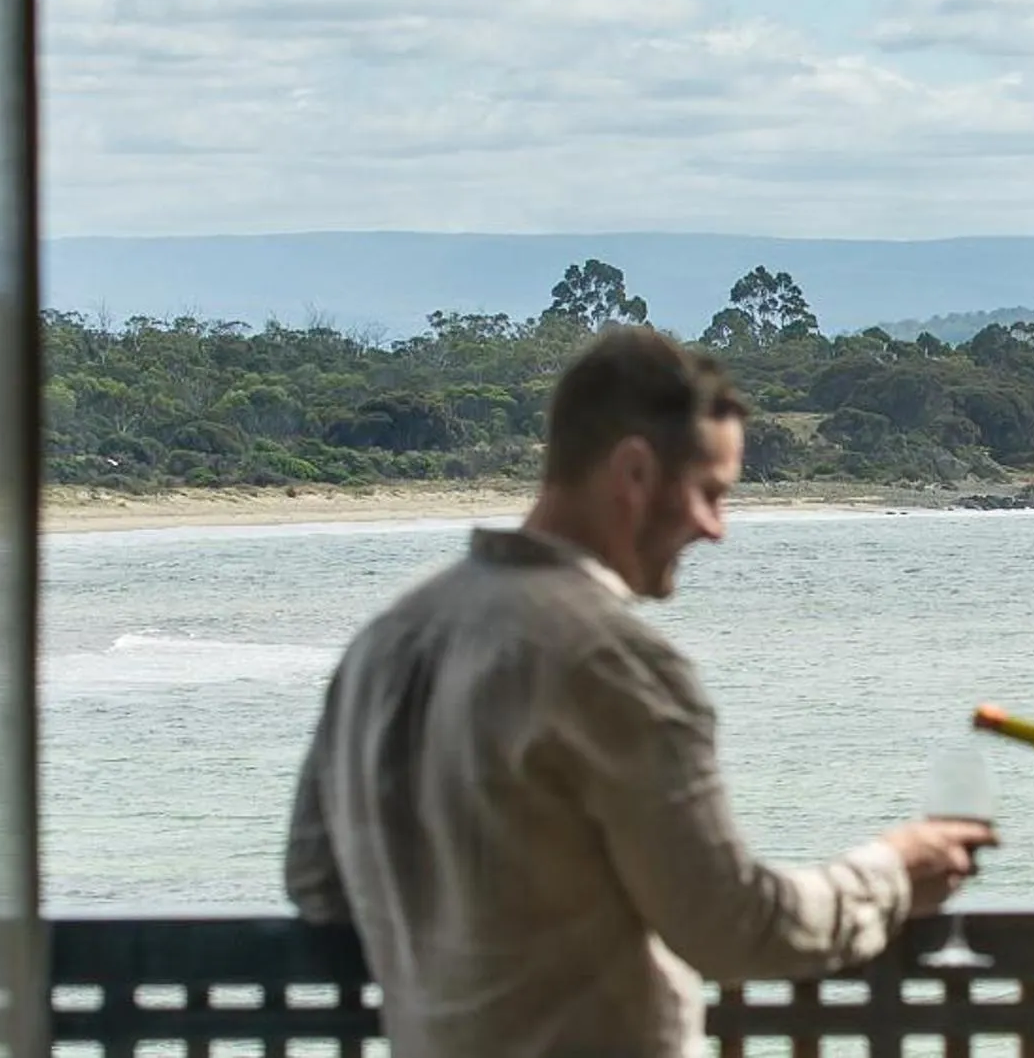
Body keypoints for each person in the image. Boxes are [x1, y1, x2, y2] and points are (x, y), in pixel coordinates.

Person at [283, 327, 996, 1058]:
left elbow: (316, 884)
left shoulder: (387, 637)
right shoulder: (611, 660)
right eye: (710, 493)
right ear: (633, 471)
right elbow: (734, 925)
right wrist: (894, 870)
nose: (716, 530)